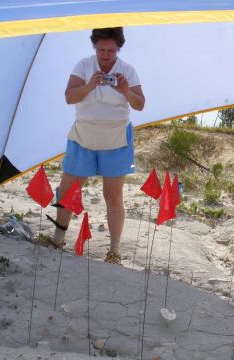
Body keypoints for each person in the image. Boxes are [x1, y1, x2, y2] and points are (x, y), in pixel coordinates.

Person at [48, 27, 145, 265]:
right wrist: (91, 85)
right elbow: (69, 97)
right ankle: (58, 239)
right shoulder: (83, 66)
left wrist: (125, 90)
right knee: (69, 190)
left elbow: (140, 104)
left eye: (110, 50)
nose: (105, 54)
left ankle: (114, 251)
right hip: (84, 135)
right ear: (94, 47)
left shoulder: (128, 71)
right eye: (101, 49)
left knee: (113, 195)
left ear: (118, 49)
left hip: (116, 138)